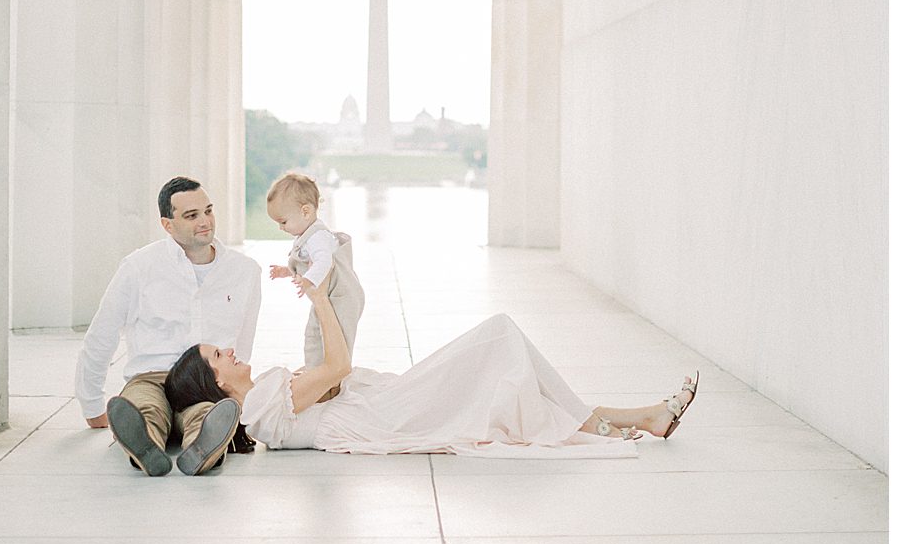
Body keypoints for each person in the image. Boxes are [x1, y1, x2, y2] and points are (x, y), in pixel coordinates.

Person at [164, 276, 699, 459]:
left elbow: (332, 372)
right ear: (214, 382)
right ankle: (627, 419)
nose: (229, 351)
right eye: (218, 357)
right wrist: (320, 298)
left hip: (385, 401)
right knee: (501, 336)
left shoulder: (263, 397)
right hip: (389, 413)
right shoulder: (258, 404)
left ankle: (636, 417)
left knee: (504, 346)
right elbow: (338, 364)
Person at [75, 177, 261, 476]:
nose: (205, 221)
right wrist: (91, 404)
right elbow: (102, 333)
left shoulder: (245, 271)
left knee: (207, 415)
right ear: (167, 224)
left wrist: (235, 390)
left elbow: (243, 340)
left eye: (208, 211)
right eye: (191, 215)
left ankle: (202, 449)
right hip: (151, 377)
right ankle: (145, 446)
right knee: (145, 409)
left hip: (206, 381)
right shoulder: (139, 267)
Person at [267, 171, 365, 397]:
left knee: (335, 337)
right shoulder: (308, 236)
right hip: (327, 296)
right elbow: (305, 262)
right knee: (314, 334)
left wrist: (310, 279)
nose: (281, 228)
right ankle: (316, 372)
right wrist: (287, 271)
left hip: (342, 297)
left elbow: (324, 261)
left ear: (306, 211)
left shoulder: (318, 237)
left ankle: (332, 381)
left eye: (283, 222)